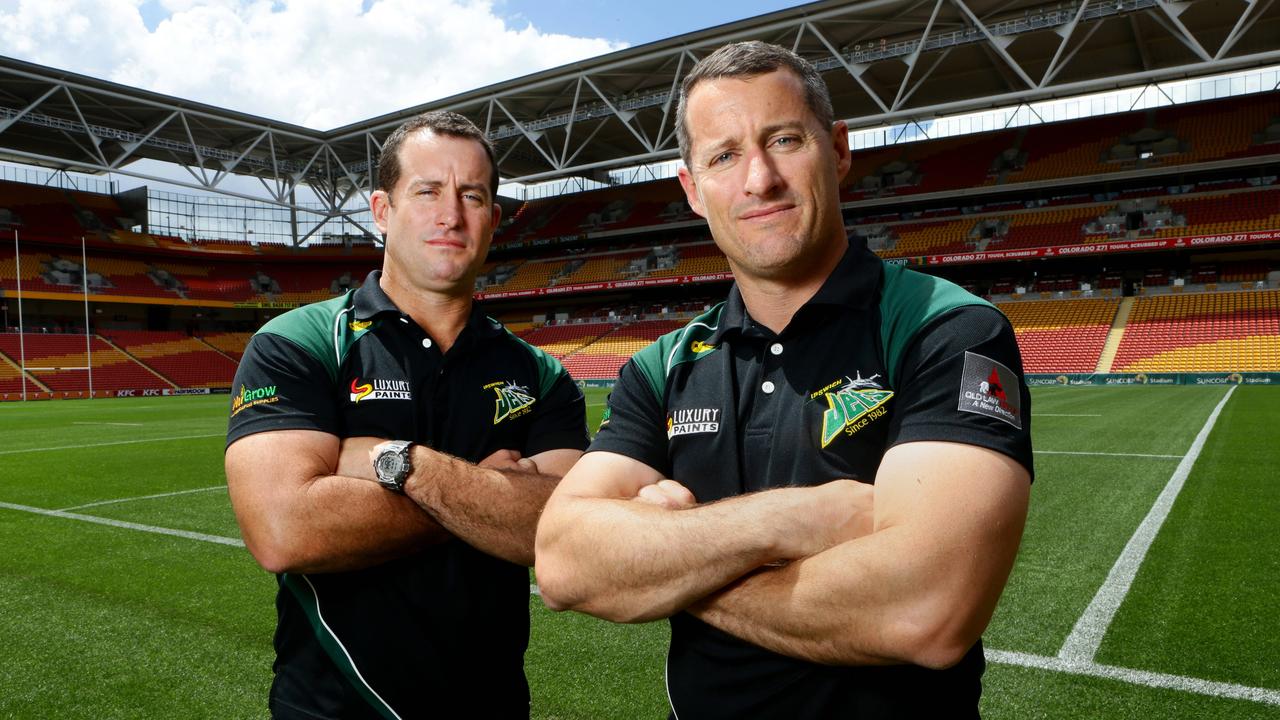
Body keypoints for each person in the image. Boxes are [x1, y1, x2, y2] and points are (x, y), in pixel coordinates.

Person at [534, 41, 1033, 718]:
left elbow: (927, 609)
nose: (759, 179)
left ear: (839, 149)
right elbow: (564, 563)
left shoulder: (945, 328)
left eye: (784, 140)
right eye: (723, 156)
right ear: (693, 190)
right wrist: (795, 520)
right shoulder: (662, 367)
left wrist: (673, 565)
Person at [225, 111, 589, 720]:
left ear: (493, 219)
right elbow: (284, 531)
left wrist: (398, 464)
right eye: (427, 192)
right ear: (382, 210)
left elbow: (561, 531)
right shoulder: (298, 343)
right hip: (328, 707)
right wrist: (489, 488)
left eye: (472, 195)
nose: (451, 215)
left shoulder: (541, 375)